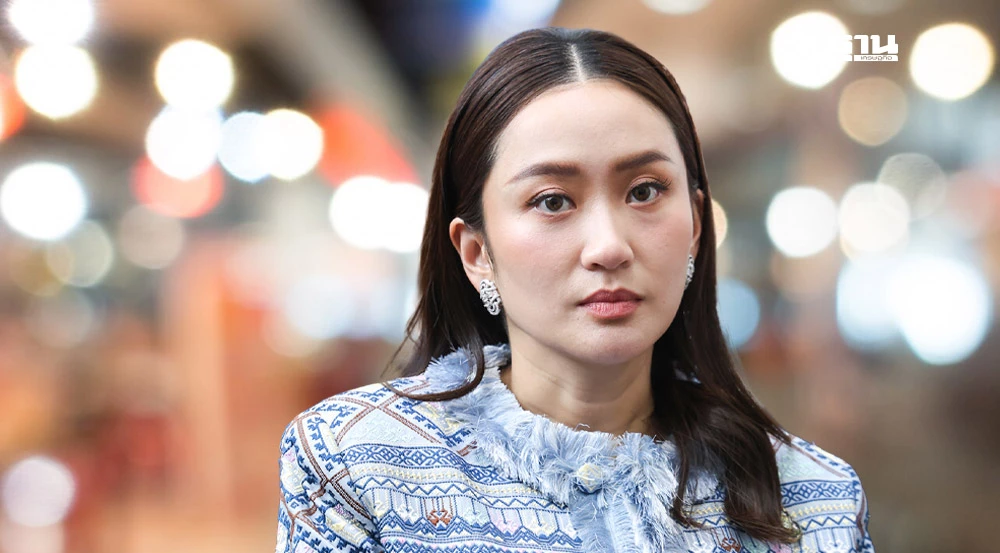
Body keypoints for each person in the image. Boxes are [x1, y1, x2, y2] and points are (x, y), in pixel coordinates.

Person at [274, 27, 874, 553]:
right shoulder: (357, 463)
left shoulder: (815, 498)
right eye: (553, 201)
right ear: (476, 253)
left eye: (644, 191)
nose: (609, 247)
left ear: (695, 224)